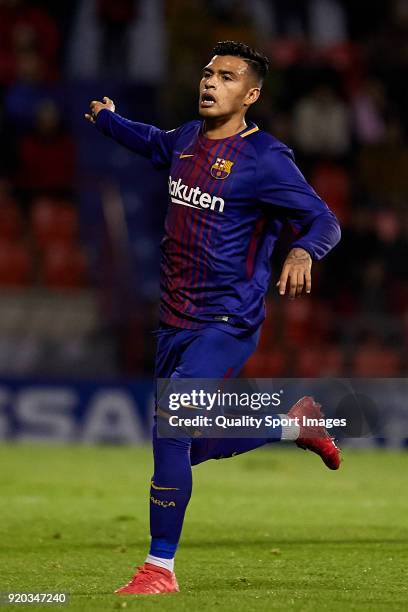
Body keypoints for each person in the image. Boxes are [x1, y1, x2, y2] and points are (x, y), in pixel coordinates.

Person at [85, 40, 341, 595]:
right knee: (186, 442)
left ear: (249, 95)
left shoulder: (267, 159)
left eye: (225, 77)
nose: (210, 82)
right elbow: (149, 141)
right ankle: (294, 423)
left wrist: (302, 252)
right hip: (174, 321)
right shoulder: (184, 140)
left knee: (171, 428)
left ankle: (159, 569)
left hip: (226, 322)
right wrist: (108, 120)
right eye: (207, 73)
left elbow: (324, 220)